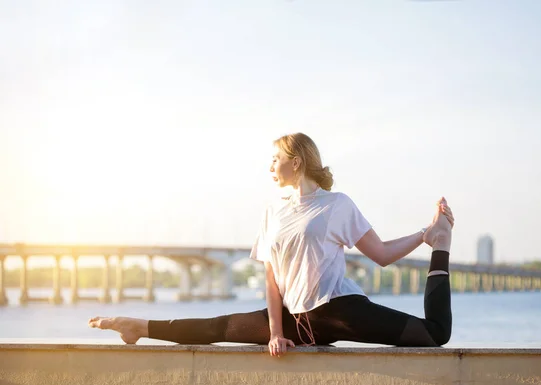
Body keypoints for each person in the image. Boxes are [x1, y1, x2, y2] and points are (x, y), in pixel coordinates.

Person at [89, 132, 455, 357]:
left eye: (275, 159)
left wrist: (426, 236)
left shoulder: (336, 205)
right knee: (217, 327)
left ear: (295, 163)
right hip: (294, 322)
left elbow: (383, 255)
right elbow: (271, 278)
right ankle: (137, 326)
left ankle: (442, 243)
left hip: (340, 311)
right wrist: (276, 334)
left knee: (434, 335)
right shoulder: (272, 213)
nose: (270, 166)